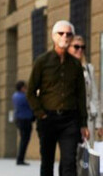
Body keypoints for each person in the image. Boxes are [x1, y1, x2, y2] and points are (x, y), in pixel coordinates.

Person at [28, 20, 88, 176]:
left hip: (70, 120)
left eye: (68, 34)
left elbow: (81, 95)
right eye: (61, 33)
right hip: (48, 118)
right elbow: (31, 92)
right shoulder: (42, 61)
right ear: (53, 36)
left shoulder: (75, 64)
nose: (65, 36)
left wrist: (83, 123)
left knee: (69, 161)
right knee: (47, 162)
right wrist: (41, 114)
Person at [70, 34, 103, 141]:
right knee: (71, 154)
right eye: (76, 47)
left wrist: (98, 123)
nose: (80, 50)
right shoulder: (64, 69)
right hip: (70, 119)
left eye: (82, 47)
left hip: (88, 119)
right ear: (69, 48)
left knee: (87, 154)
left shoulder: (89, 68)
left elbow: (95, 96)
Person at [13, 81, 34, 166]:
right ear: (22, 88)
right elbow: (31, 104)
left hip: (19, 119)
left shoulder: (15, 96)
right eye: (25, 87)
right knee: (25, 140)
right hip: (25, 120)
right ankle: (20, 159)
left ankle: (20, 158)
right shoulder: (24, 97)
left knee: (23, 139)